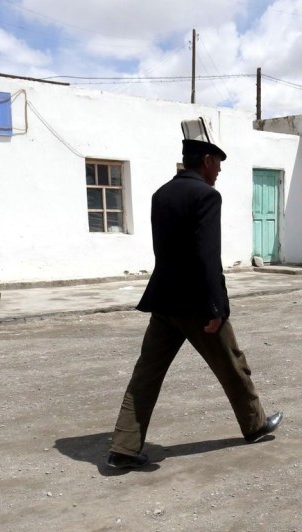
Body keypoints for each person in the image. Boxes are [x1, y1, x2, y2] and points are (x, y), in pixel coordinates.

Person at [105, 119, 283, 469]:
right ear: (206, 161)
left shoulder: (161, 194)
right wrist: (216, 306)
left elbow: (164, 250)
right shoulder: (206, 196)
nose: (219, 171)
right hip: (198, 305)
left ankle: (123, 447)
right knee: (233, 365)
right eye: (218, 164)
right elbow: (206, 255)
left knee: (146, 375)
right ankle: (254, 424)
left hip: (164, 301)